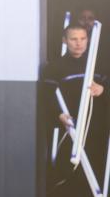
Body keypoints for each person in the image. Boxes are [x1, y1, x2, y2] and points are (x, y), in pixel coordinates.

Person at [42, 24, 109, 196]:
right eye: (73, 39)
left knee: (94, 175)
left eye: (82, 39)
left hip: (96, 131)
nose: (78, 43)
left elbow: (106, 91)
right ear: (65, 40)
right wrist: (59, 115)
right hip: (70, 129)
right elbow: (47, 96)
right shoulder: (54, 67)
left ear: (88, 40)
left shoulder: (99, 66)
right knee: (67, 175)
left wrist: (102, 90)